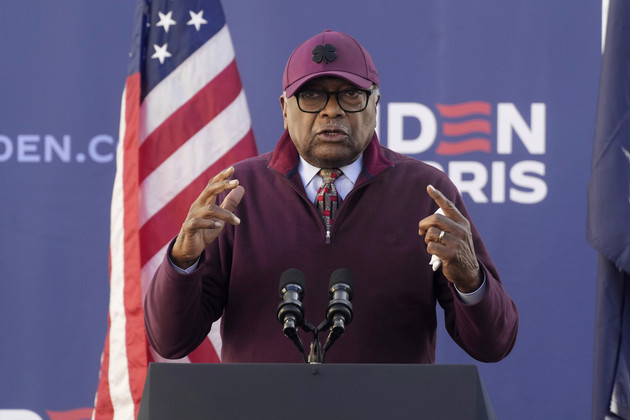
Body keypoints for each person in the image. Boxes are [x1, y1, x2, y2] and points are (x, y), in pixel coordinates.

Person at [144, 29, 518, 364]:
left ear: (375, 106)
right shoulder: (237, 192)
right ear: (284, 110)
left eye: (350, 94)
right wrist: (183, 261)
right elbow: (171, 341)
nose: (331, 110)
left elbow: (493, 344)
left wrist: (470, 279)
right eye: (311, 95)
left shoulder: (426, 192)